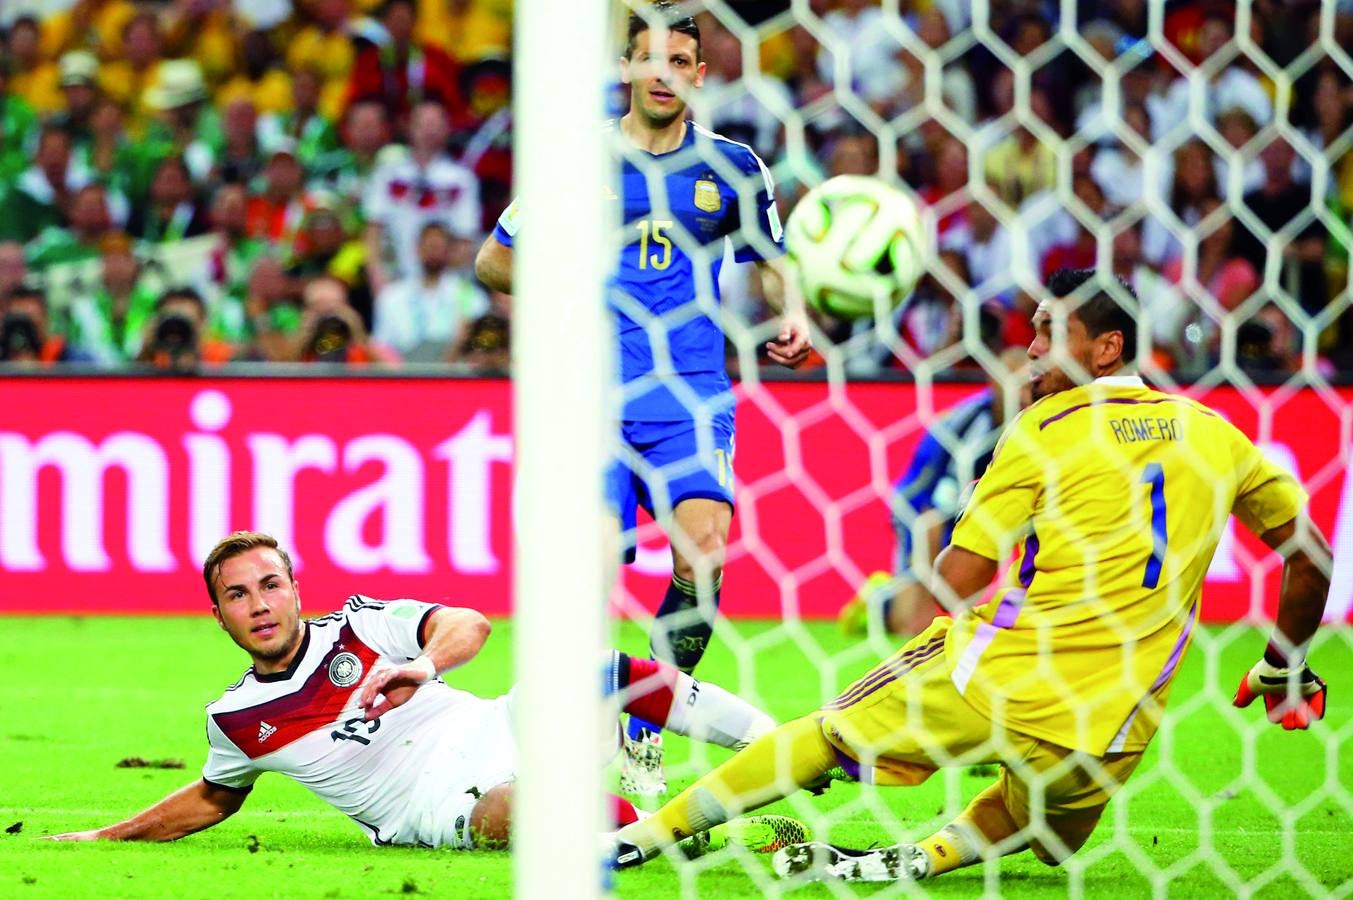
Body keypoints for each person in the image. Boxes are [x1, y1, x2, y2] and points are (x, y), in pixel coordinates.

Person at [610, 267, 1331, 883]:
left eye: (1050, 333)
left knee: (826, 733)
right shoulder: (1213, 432)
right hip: (1114, 726)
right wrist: (1282, 666)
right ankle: (923, 856)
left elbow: (956, 581)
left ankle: (640, 837)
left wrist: (972, 524)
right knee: (1046, 836)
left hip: (998, 678)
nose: (1032, 349)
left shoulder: (1044, 430)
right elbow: (1312, 559)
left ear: (1106, 347)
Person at [473, 1, 812, 796]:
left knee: (704, 553)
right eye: (649, 57)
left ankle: (644, 729)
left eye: (679, 61)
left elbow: (772, 262)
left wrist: (792, 313)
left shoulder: (733, 167)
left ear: (700, 74)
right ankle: (582, 738)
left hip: (690, 395)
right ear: (625, 67)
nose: (664, 73)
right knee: (590, 577)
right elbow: (494, 261)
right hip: (589, 398)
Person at [49, 531, 804, 855]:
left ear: (295, 588)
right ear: (218, 616)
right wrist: (105, 837)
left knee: (591, 666)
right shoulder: (235, 719)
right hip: (432, 807)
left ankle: (777, 745)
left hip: (497, 725)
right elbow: (214, 798)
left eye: (270, 584)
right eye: (238, 595)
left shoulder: (360, 624)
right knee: (523, 810)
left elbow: (469, 623)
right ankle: (677, 831)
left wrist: (424, 666)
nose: (260, 605)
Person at [839, 346, 1030, 637]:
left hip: (971, 511)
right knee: (912, 626)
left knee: (956, 601)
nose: (1023, 393)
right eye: (1014, 382)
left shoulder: (1029, 422)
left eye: (1027, 384)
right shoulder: (974, 422)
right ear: (994, 381)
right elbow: (939, 503)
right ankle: (879, 602)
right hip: (921, 507)